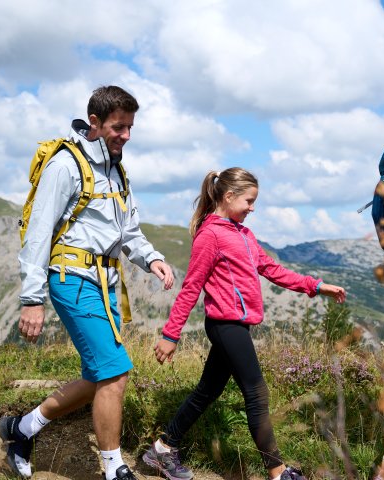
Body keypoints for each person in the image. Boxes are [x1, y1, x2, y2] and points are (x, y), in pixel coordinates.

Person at [0, 85, 175, 480]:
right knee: (116, 371)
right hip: (71, 279)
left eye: (130, 127)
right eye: (118, 127)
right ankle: (114, 469)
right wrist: (32, 298)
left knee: (97, 375)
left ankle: (21, 429)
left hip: (106, 282)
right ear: (94, 122)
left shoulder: (117, 169)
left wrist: (153, 258)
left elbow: (129, 231)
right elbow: (39, 232)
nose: (126, 135)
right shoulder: (65, 165)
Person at [142, 167, 347, 480]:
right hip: (225, 325)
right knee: (257, 393)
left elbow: (272, 270)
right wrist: (171, 334)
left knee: (207, 391)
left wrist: (316, 286)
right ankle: (278, 472)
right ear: (229, 196)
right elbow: (191, 286)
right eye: (249, 201)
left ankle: (163, 448)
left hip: (237, 325)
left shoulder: (244, 234)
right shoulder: (210, 235)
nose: (253, 208)